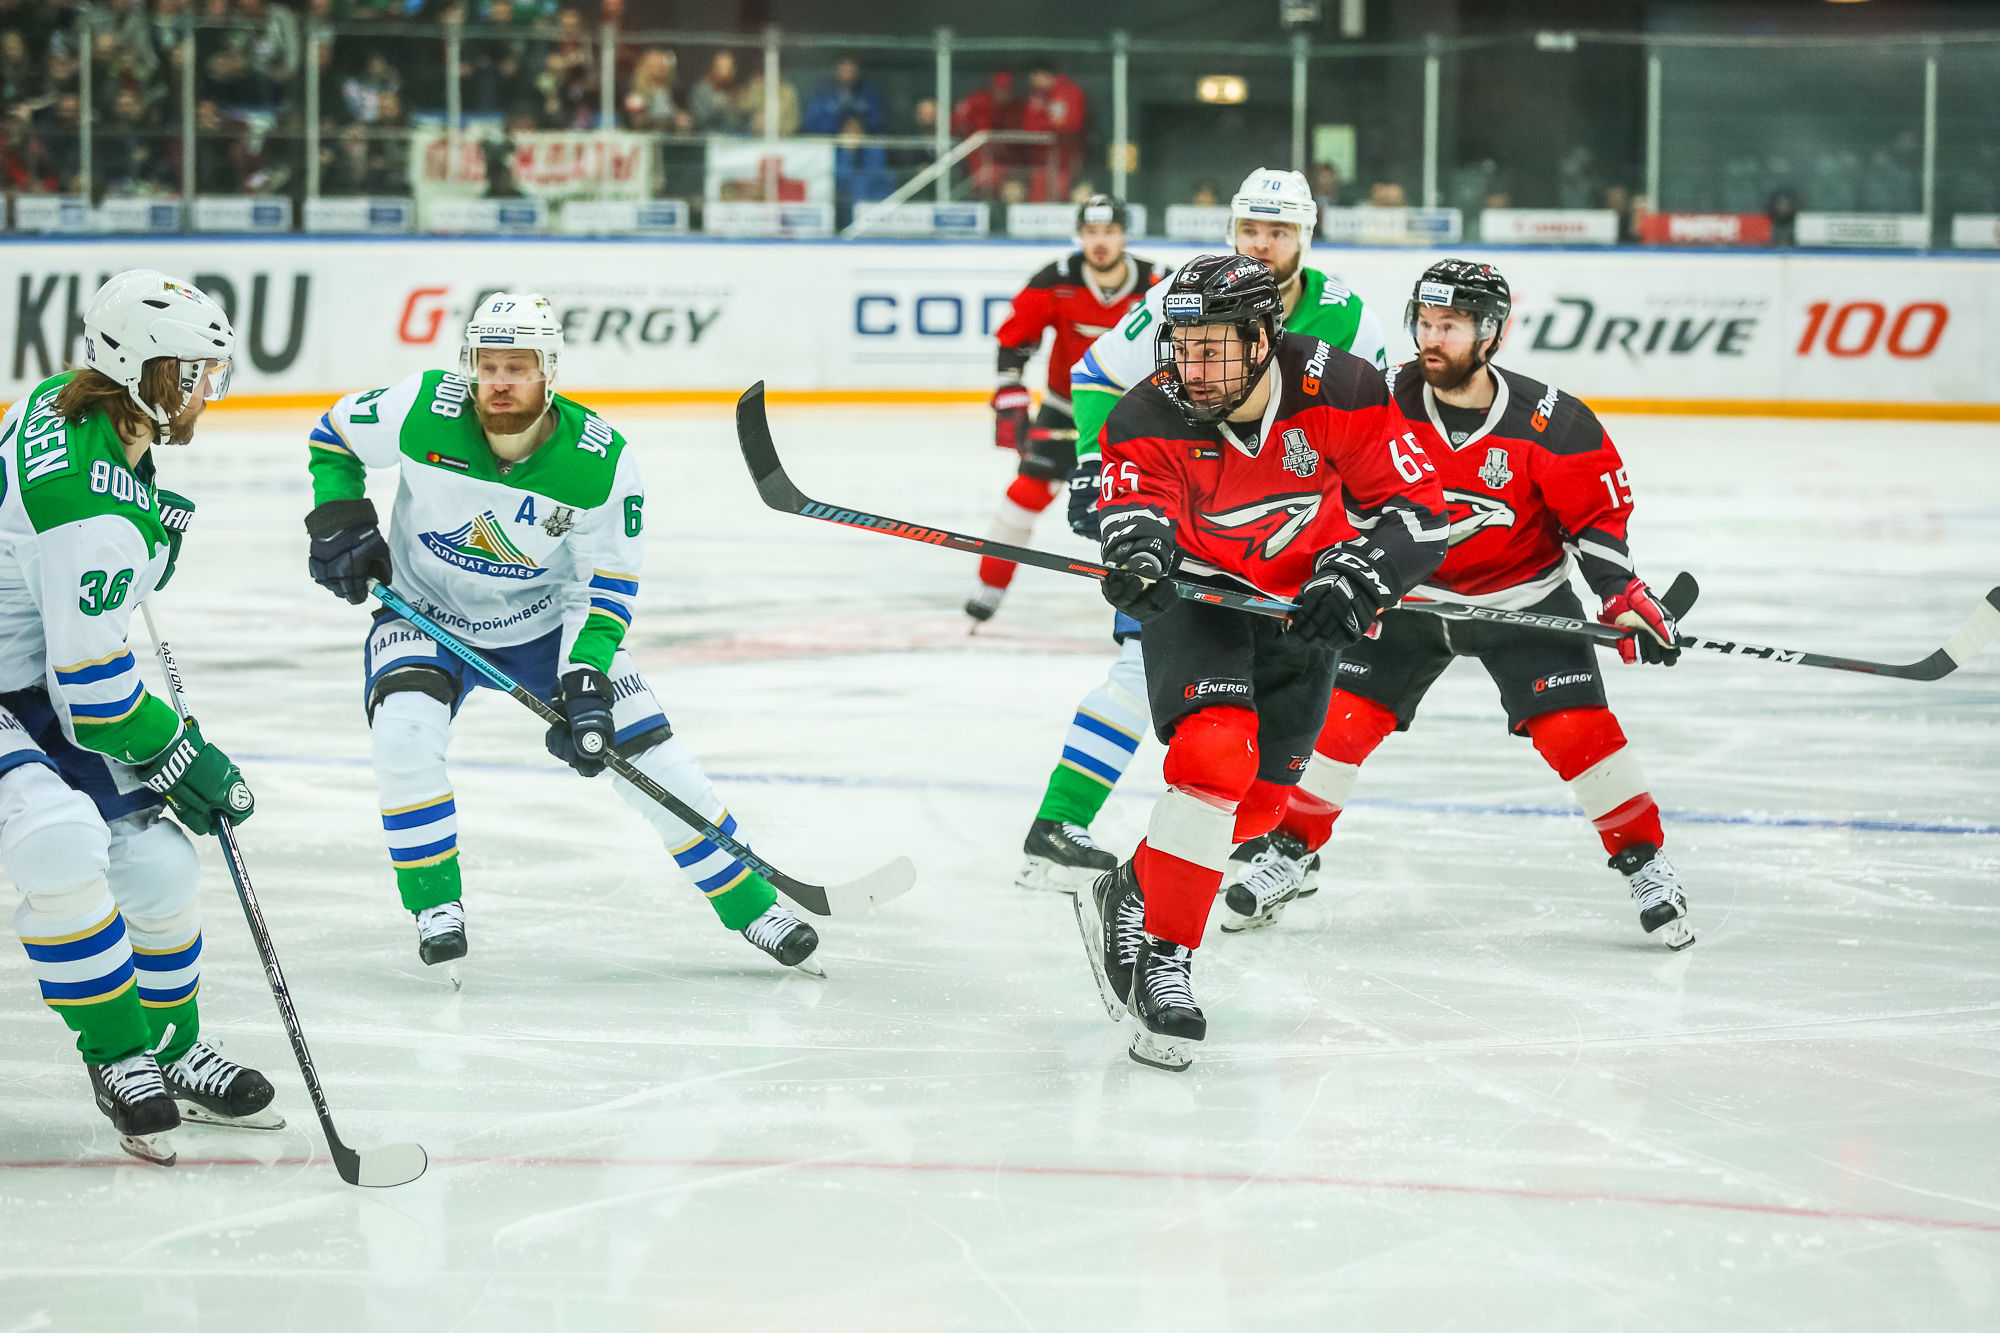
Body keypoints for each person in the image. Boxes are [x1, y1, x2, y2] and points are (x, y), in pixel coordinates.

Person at [302, 293, 824, 976]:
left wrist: (584, 678)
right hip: (423, 613)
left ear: (549, 373)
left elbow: (600, 590)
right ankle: (436, 904)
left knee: (651, 758)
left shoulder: (598, 462)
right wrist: (340, 513)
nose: (499, 381)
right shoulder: (420, 407)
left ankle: (755, 905)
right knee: (402, 731)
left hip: (544, 627)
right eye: (487, 365)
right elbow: (334, 435)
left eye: (518, 367)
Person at [1224, 260, 1696, 949]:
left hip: (1521, 600)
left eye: (1450, 325)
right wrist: (1332, 571)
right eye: (1424, 322)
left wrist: (1621, 595)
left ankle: (1648, 865)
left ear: (1491, 334)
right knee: (1336, 728)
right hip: (1403, 601)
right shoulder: (1377, 401)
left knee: (1577, 733)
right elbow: (1329, 492)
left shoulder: (1550, 421)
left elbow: (1595, 520)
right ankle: (1289, 855)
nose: (1431, 338)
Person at [1077, 254, 1447, 1070]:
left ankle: (1132, 885)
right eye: (1181, 344)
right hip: (1201, 598)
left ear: (1265, 337)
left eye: (1213, 347)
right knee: (1214, 759)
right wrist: (1137, 554)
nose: (1191, 366)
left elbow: (1418, 511)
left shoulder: (1341, 389)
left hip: (1303, 604)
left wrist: (1360, 575)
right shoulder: (1149, 413)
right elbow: (1133, 509)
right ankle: (1168, 958)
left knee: (1262, 807)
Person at [1014, 166, 1389, 892]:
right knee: (1139, 665)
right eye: (1251, 228)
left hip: (1290, 542)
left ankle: (1242, 832)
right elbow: (1095, 374)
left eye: (1279, 231)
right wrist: (1097, 468)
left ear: (1305, 236)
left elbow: (1375, 433)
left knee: (1288, 691)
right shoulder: (1182, 295)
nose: (1263, 243)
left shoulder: (1347, 315)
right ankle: (1062, 824)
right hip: (1185, 523)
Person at [0, 270, 278, 1166]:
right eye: (193, 371)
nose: (208, 390)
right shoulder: (90, 507)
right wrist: (182, 753)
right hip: (40, 681)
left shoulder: (67, 400)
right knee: (55, 839)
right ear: (139, 367)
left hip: (26, 672)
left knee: (156, 861)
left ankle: (171, 1047)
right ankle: (119, 1053)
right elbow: (95, 692)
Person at [964, 194, 1166, 629]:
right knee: (1025, 496)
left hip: (1134, 414)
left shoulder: (1157, 282)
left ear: (1124, 235)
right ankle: (990, 588)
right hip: (1064, 408)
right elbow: (1015, 338)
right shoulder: (1055, 279)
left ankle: (1154, 602)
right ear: (1079, 236)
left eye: (1109, 232)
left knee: (1148, 506)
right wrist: (1010, 389)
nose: (1100, 242)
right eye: (1091, 232)